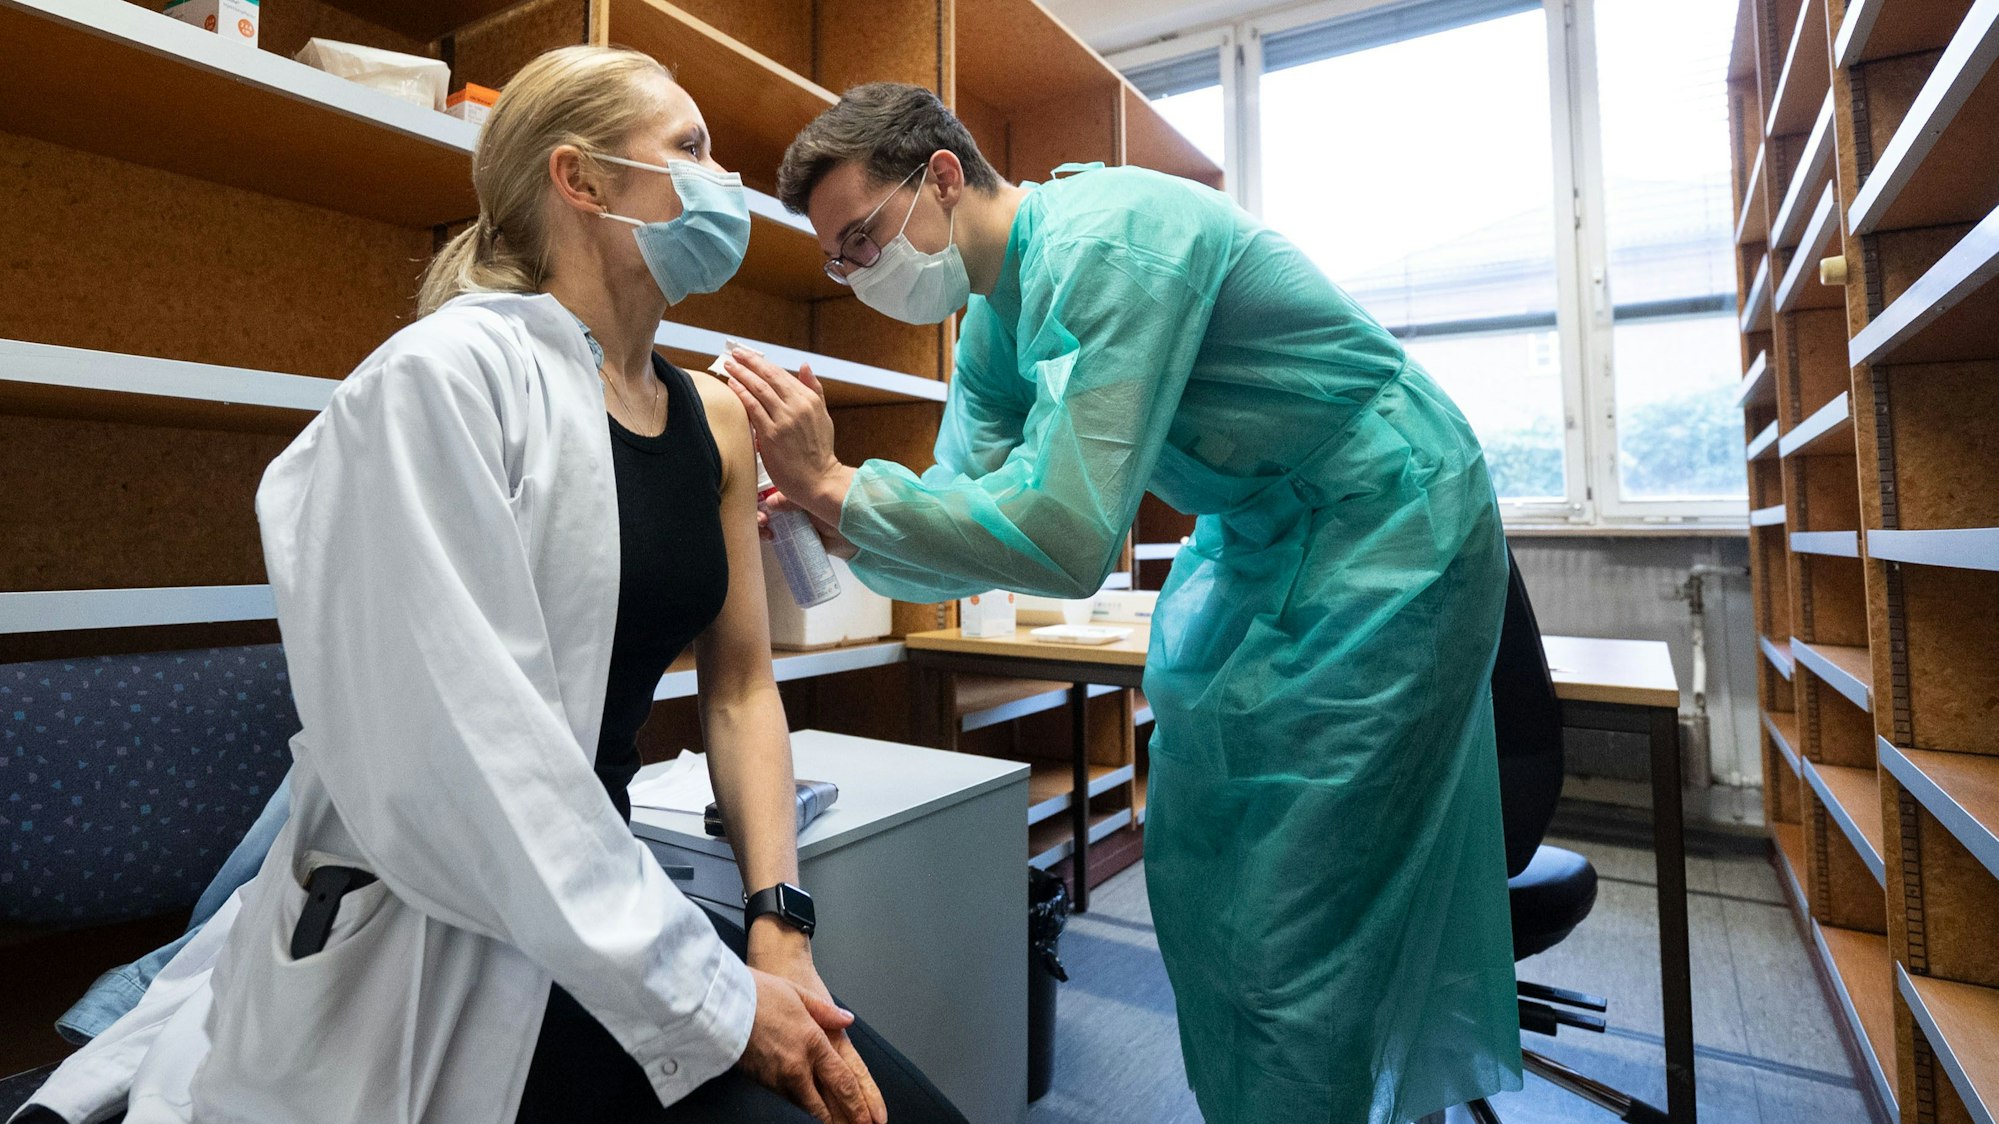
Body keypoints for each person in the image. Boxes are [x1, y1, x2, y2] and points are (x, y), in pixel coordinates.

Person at [13, 48, 963, 1124]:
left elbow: (741, 685)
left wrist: (778, 924)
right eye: (691, 148)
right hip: (451, 917)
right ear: (582, 178)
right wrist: (715, 999)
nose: (725, 183)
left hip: (612, 889)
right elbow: (469, 760)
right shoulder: (439, 380)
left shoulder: (718, 417)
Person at [723, 82, 1523, 1124]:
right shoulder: (994, 324)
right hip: (1257, 536)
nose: (862, 271)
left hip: (1385, 521)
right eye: (842, 257)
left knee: (1295, 919)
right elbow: (965, 527)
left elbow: (1062, 536)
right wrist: (837, 516)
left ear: (944, 175)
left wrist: (842, 487)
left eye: (866, 237)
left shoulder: (1110, 242)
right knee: (1201, 878)